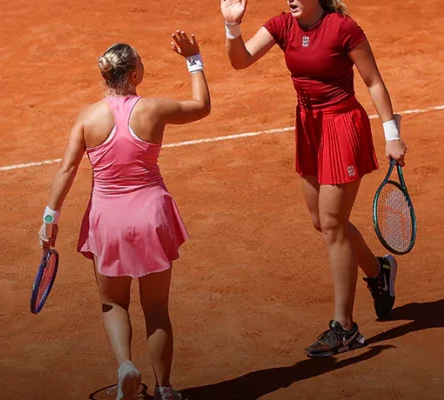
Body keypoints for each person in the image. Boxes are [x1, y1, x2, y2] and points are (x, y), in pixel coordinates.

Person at [220, 0, 408, 357]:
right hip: (309, 127)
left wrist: (391, 134)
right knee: (322, 221)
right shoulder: (282, 25)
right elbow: (240, 60)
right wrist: (232, 27)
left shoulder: (342, 28)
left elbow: (373, 81)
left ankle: (345, 328)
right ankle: (379, 271)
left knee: (334, 224)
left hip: (341, 125)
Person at [37, 31, 210, 400]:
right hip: (151, 218)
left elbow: (67, 170)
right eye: (141, 62)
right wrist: (193, 59)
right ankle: (164, 390)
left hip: (108, 220)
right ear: (134, 75)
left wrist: (50, 219)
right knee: (157, 309)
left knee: (113, 302)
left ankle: (125, 366)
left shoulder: (88, 117)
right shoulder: (153, 109)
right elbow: (201, 106)